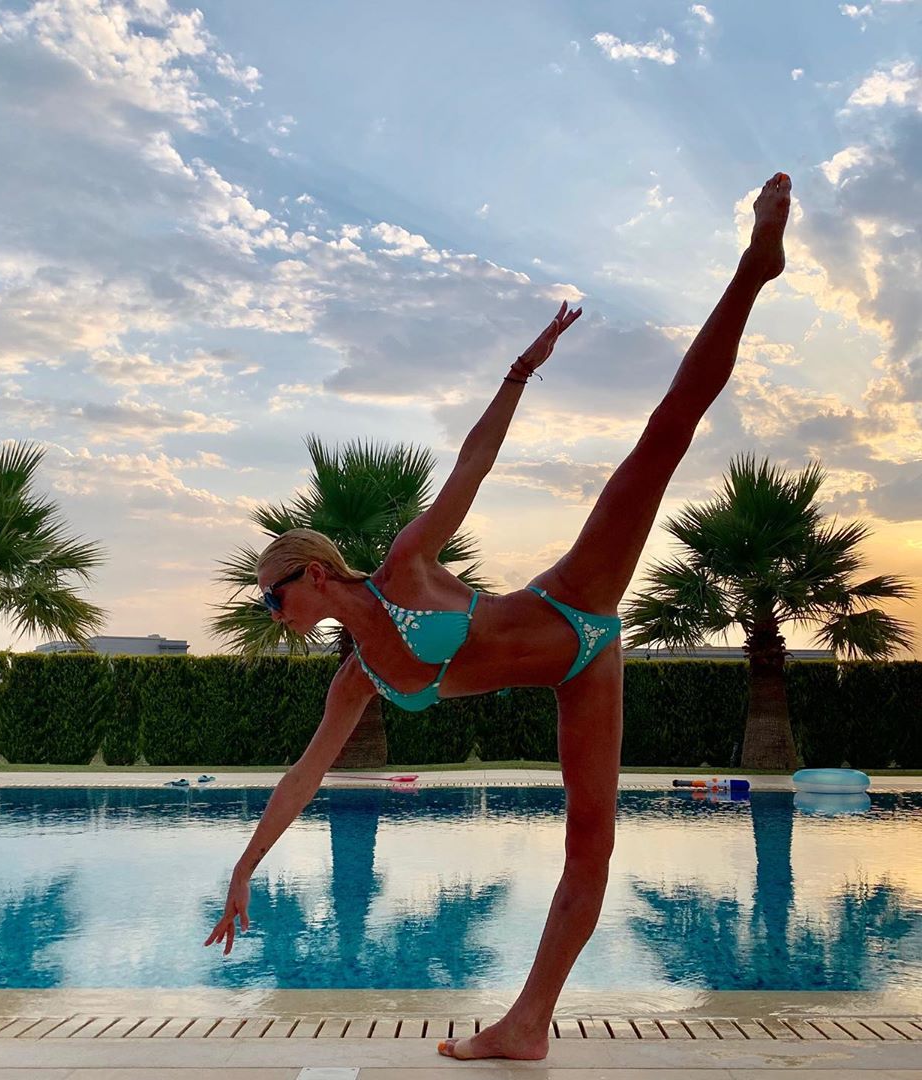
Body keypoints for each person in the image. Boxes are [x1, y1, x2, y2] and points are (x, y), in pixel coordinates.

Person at [205, 173, 793, 1062]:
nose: (268, 609)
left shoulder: (406, 565)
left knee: (661, 438)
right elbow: (302, 777)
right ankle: (527, 1026)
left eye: (270, 594)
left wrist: (521, 372)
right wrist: (244, 869)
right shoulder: (356, 680)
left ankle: (754, 268)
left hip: (573, 603)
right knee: (588, 846)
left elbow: (471, 468)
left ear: (313, 574)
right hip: (584, 671)